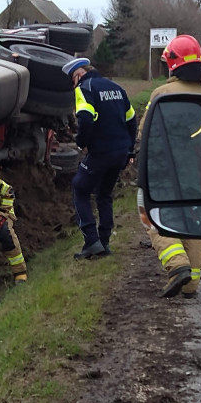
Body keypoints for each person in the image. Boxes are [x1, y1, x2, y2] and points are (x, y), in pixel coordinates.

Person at [139, 34, 201, 298]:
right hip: (199, 174)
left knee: (153, 216)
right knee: (193, 220)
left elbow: (145, 134)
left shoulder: (161, 93)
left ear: (173, 63)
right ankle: (191, 285)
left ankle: (177, 265)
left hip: (165, 173)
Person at [62, 57, 137, 259]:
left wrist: (81, 142)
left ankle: (91, 241)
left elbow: (85, 118)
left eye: (72, 80)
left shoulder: (85, 88)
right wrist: (129, 149)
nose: (73, 85)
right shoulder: (116, 88)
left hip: (101, 151)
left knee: (80, 188)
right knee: (104, 194)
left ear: (79, 74)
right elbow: (132, 120)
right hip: (120, 151)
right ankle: (104, 243)